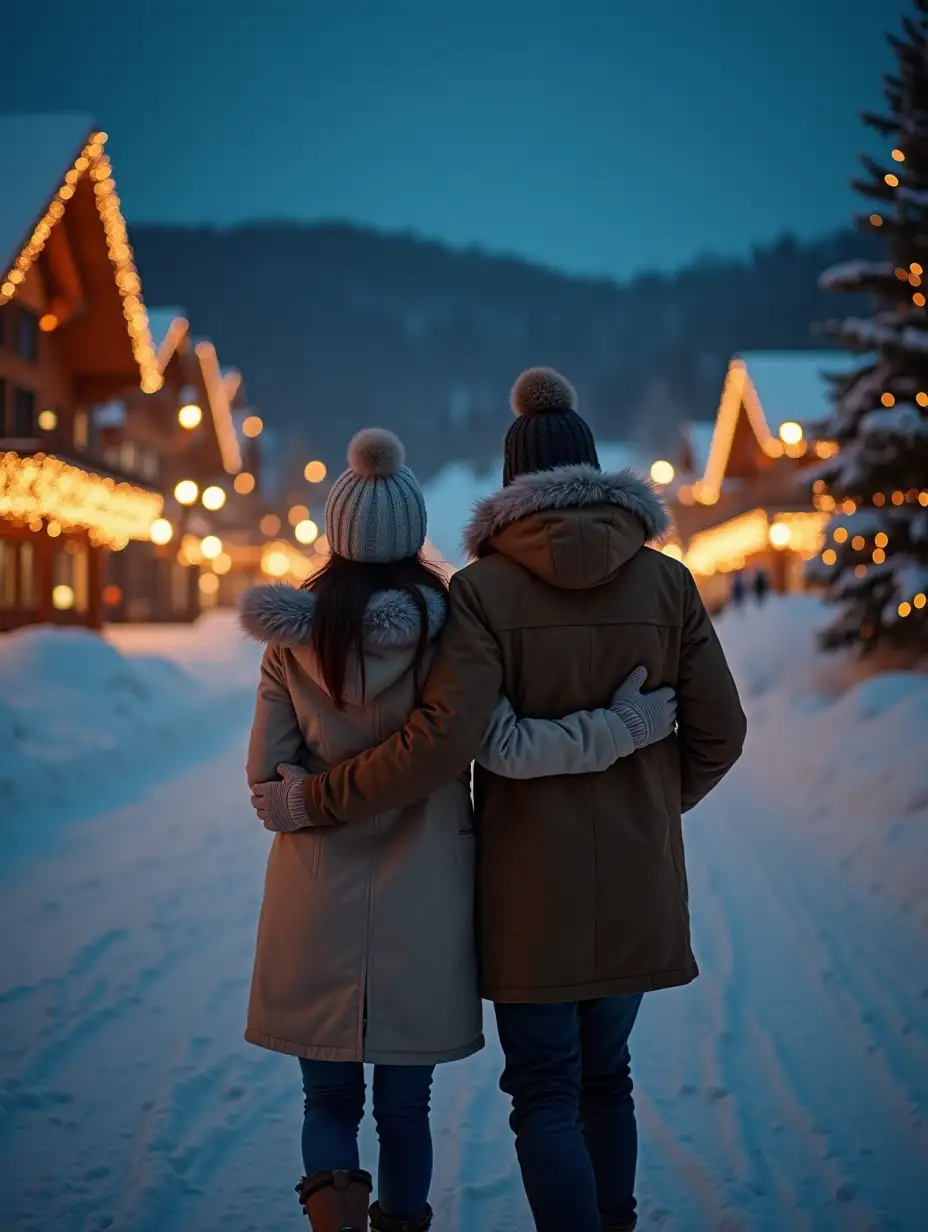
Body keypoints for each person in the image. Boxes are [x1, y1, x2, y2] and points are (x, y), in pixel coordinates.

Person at [252, 371, 746, 1232]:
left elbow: (456, 738)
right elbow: (721, 733)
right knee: (609, 1079)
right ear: (596, 469)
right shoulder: (668, 584)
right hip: (635, 882)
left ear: (512, 485)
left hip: (526, 888)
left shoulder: (482, 593)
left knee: (545, 1092)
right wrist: (650, 807)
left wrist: (318, 798)